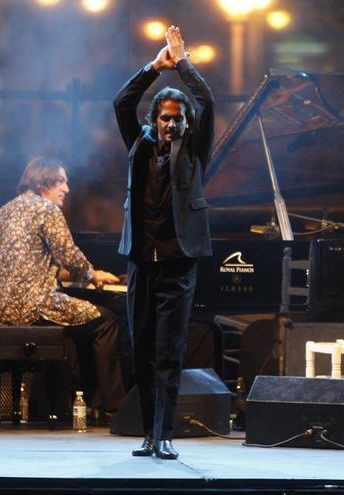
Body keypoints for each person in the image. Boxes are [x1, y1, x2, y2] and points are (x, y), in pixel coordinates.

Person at [114, 25, 214, 459]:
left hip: (178, 263)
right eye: (164, 117)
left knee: (170, 352)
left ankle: (166, 434)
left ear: (185, 123)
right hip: (141, 261)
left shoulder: (194, 151)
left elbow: (208, 100)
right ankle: (149, 434)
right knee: (142, 351)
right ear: (154, 121)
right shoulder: (138, 146)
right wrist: (156, 66)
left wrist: (183, 61)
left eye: (177, 118)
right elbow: (121, 102)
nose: (170, 124)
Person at [0, 157, 126, 417]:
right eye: (61, 181)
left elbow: (23, 260)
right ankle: (114, 407)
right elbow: (70, 256)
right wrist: (92, 274)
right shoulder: (46, 209)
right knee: (106, 321)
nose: (67, 189)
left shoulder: (5, 210)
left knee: (84, 320)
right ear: (42, 183)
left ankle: (86, 398)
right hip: (34, 306)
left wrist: (68, 273)